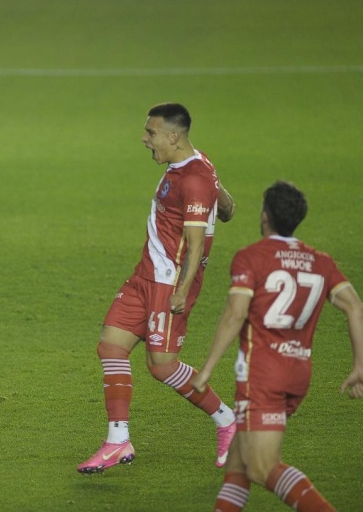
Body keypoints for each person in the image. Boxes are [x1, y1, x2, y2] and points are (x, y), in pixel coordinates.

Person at [77, 103, 238, 474]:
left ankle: (228, 420)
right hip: (144, 275)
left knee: (162, 367)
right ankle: (118, 441)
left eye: (150, 133)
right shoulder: (195, 165)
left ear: (172, 136)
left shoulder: (194, 179)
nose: (144, 139)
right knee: (111, 345)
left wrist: (181, 292)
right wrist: (221, 198)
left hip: (169, 283)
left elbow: (195, 245)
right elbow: (227, 209)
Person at [191, 181, 363, 512]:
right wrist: (359, 366)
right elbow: (355, 307)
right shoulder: (321, 262)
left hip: (262, 377)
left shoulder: (251, 258)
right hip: (298, 375)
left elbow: (235, 314)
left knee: (262, 467)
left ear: (265, 216)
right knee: (239, 465)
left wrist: (208, 368)